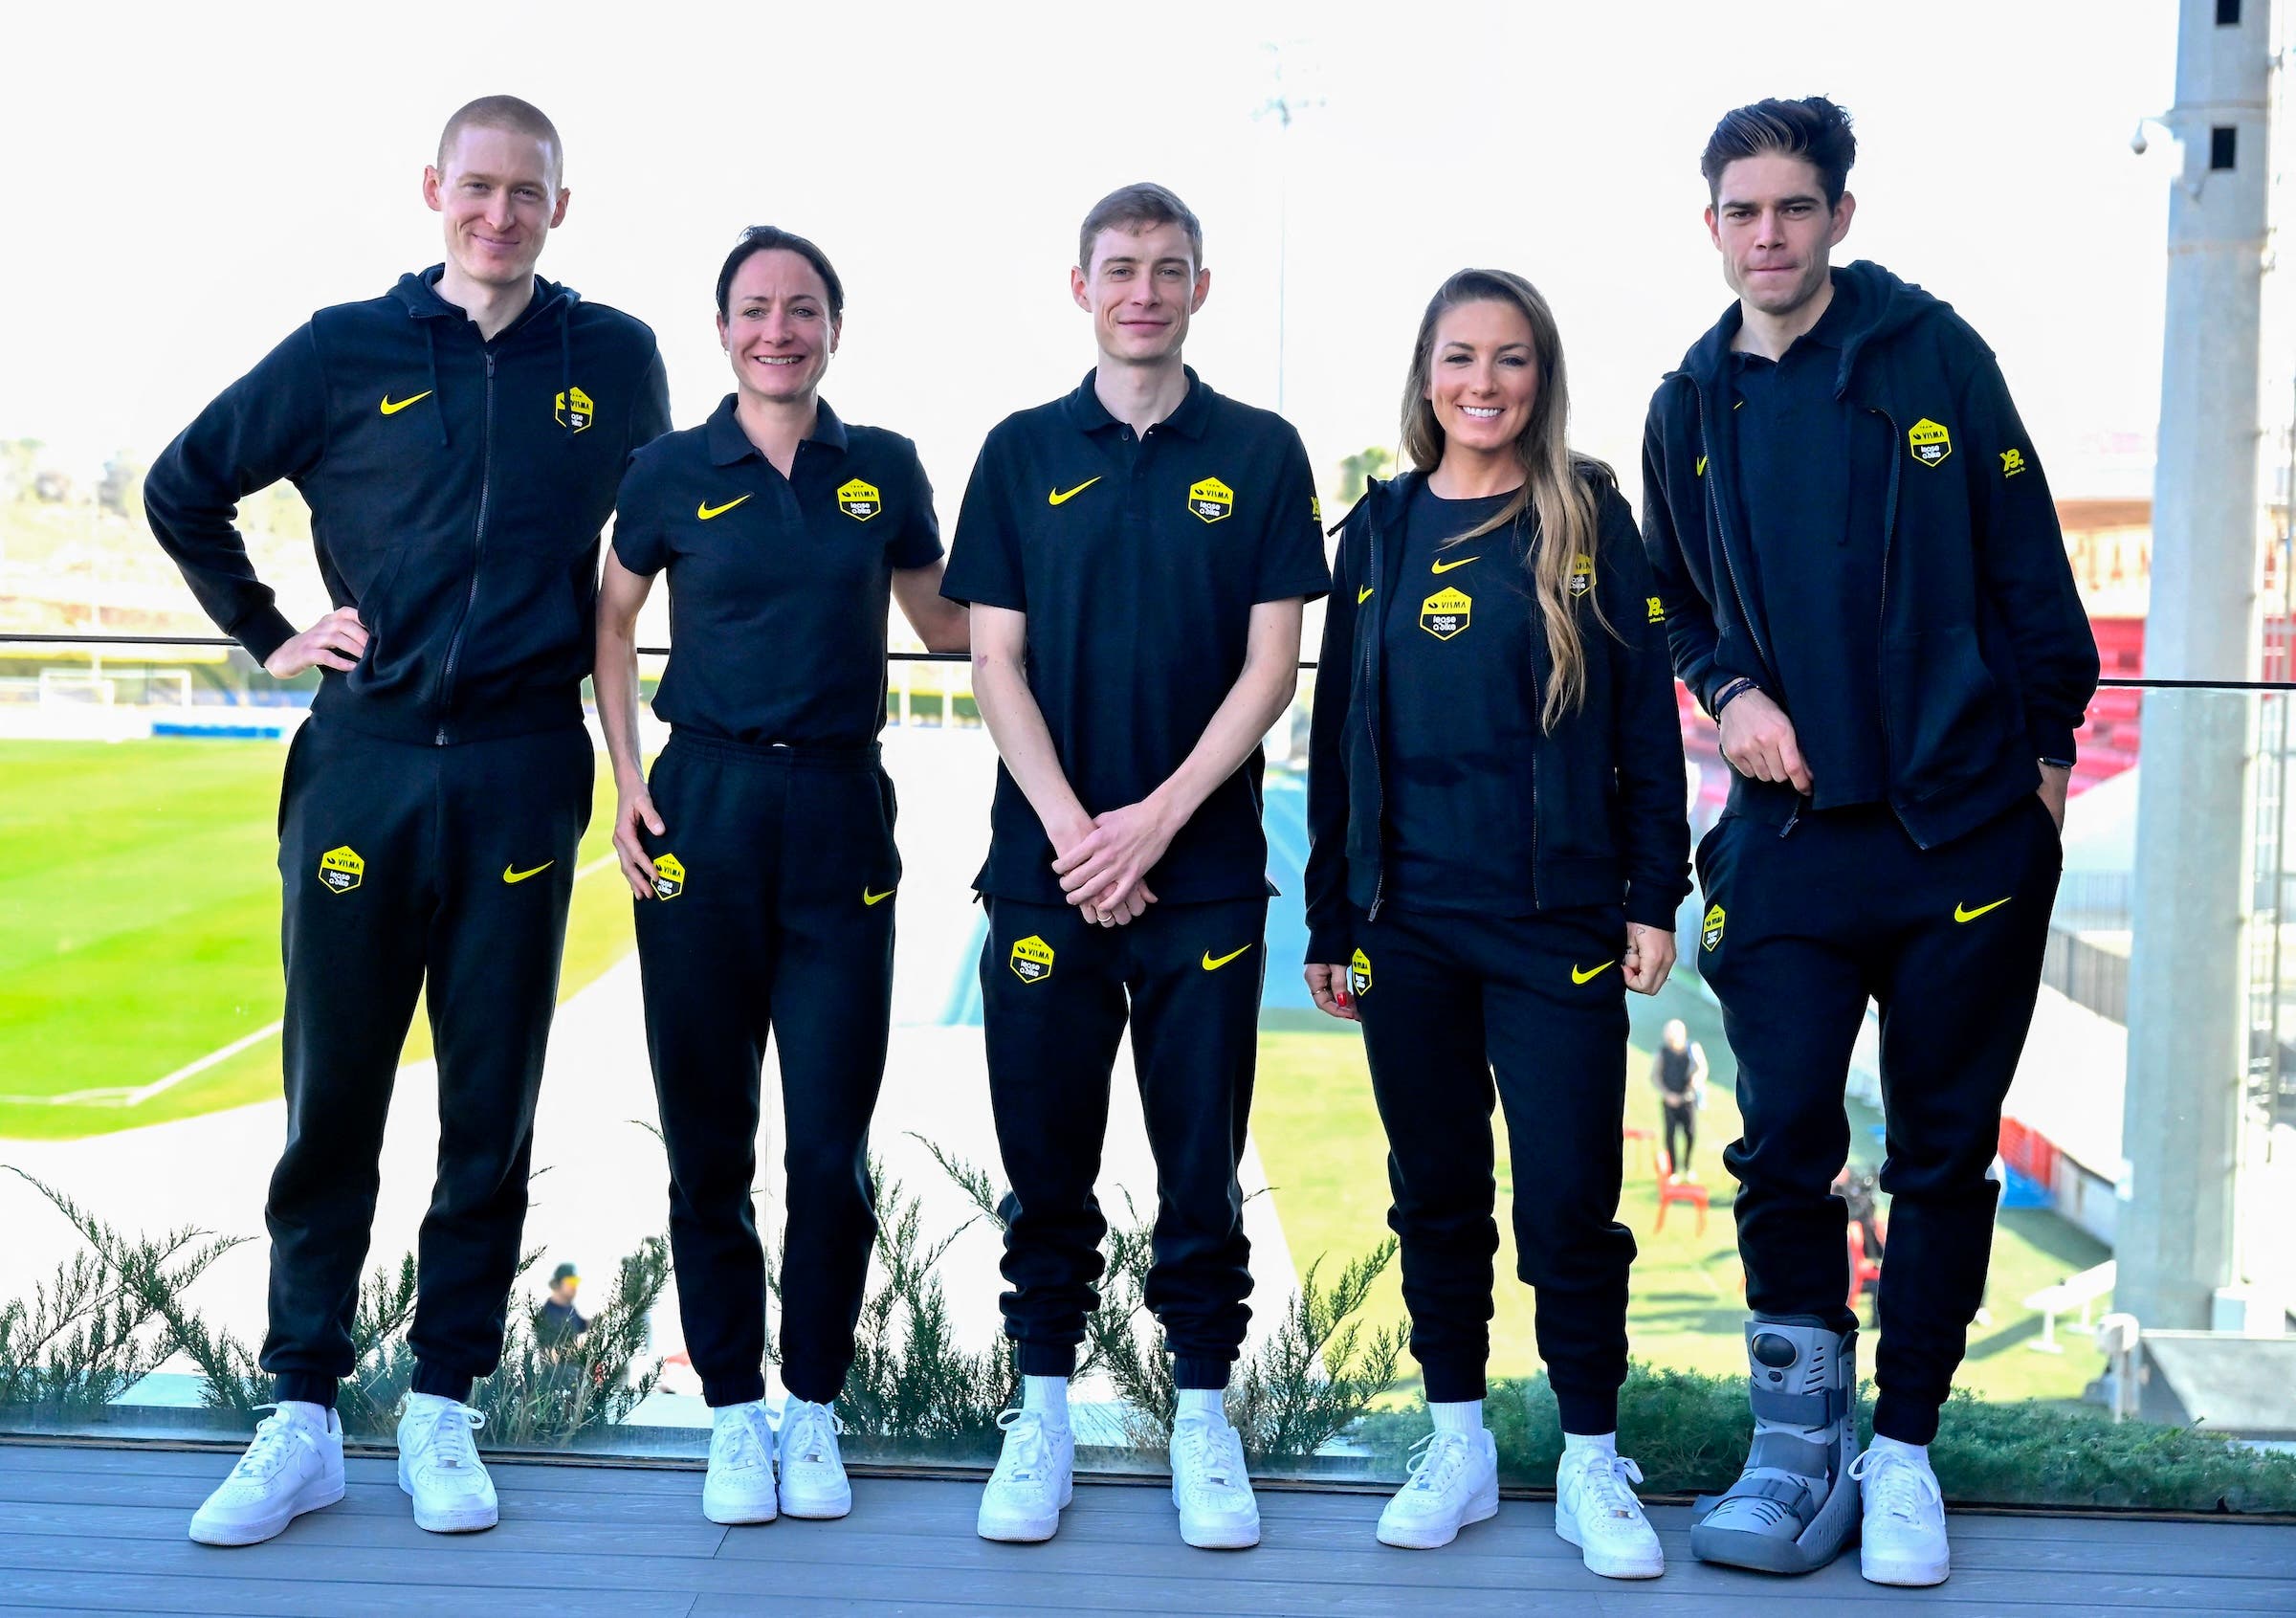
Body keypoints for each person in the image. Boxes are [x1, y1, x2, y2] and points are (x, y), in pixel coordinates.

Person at [149, 96, 670, 1548]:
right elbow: (185, 486)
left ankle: (445, 1400)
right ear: (434, 187)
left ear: (562, 206)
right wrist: (269, 630)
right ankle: (302, 1411)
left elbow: (669, 537)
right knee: (334, 1097)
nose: (499, 213)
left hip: (521, 768)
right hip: (362, 766)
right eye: (478, 187)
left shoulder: (614, 357)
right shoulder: (341, 349)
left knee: (488, 1100)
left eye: (527, 192)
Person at [1640, 97, 2096, 1586]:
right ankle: (1797, 1450)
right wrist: (1730, 691)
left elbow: (2032, 575)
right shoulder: (1686, 403)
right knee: (1783, 1146)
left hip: (1962, 835)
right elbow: (1672, 601)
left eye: (1794, 206)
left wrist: (2040, 783)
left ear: (1840, 214)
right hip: (1787, 843)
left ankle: (1901, 1451)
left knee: (1943, 1153)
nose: (1767, 234)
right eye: (1742, 210)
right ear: (1712, 224)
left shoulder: (1934, 356)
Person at [941, 183, 1329, 1550]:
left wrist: (1152, 824)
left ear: (1200, 288)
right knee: (1044, 1166)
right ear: (1082, 286)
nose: (1145, 291)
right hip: (1047, 872)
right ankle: (1040, 1408)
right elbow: (993, 659)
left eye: (1169, 269)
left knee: (1200, 1171)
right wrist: (1075, 833)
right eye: (1121, 268)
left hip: (1200, 873)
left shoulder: (1263, 452)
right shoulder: (1019, 450)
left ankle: (1202, 1415)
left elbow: (1271, 669)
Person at [1302, 269, 1690, 1574]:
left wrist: (1652, 892)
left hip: (1553, 920)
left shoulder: (1589, 516)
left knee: (1570, 1197)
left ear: (1542, 375)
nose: (1484, 381)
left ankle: (1590, 1456)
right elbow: (1336, 735)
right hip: (1404, 923)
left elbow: (1643, 723)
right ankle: (1457, 1439)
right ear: (1426, 374)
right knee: (1438, 1193)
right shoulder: (1379, 527)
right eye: (1461, 356)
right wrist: (1331, 915)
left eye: (1510, 358)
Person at [597, 226, 965, 1528]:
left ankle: (812, 1404)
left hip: (839, 814)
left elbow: (945, 622)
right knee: (709, 1141)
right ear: (723, 330)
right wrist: (626, 773)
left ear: (833, 329)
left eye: (802, 309)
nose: (778, 330)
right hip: (699, 811)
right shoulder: (665, 469)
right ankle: (731, 1411)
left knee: (828, 1147)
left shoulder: (886, 468)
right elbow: (610, 616)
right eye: (755, 309)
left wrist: (1087, 592)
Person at [1649, 1019, 1709, 1179]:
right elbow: (1655, 1076)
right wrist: (1667, 1094)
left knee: (1690, 1134)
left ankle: (1687, 1167)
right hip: (1669, 1101)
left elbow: (1702, 1069)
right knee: (1670, 1135)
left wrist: (1696, 1081)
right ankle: (1673, 1170)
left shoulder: (1692, 1048)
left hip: (1687, 1099)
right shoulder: (1662, 1052)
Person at [538, 1264, 587, 1348]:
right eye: (570, 1282)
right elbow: (548, 1348)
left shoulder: (570, 1308)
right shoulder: (548, 1313)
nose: (574, 1287)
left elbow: (582, 1326)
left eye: (575, 1282)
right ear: (558, 1284)